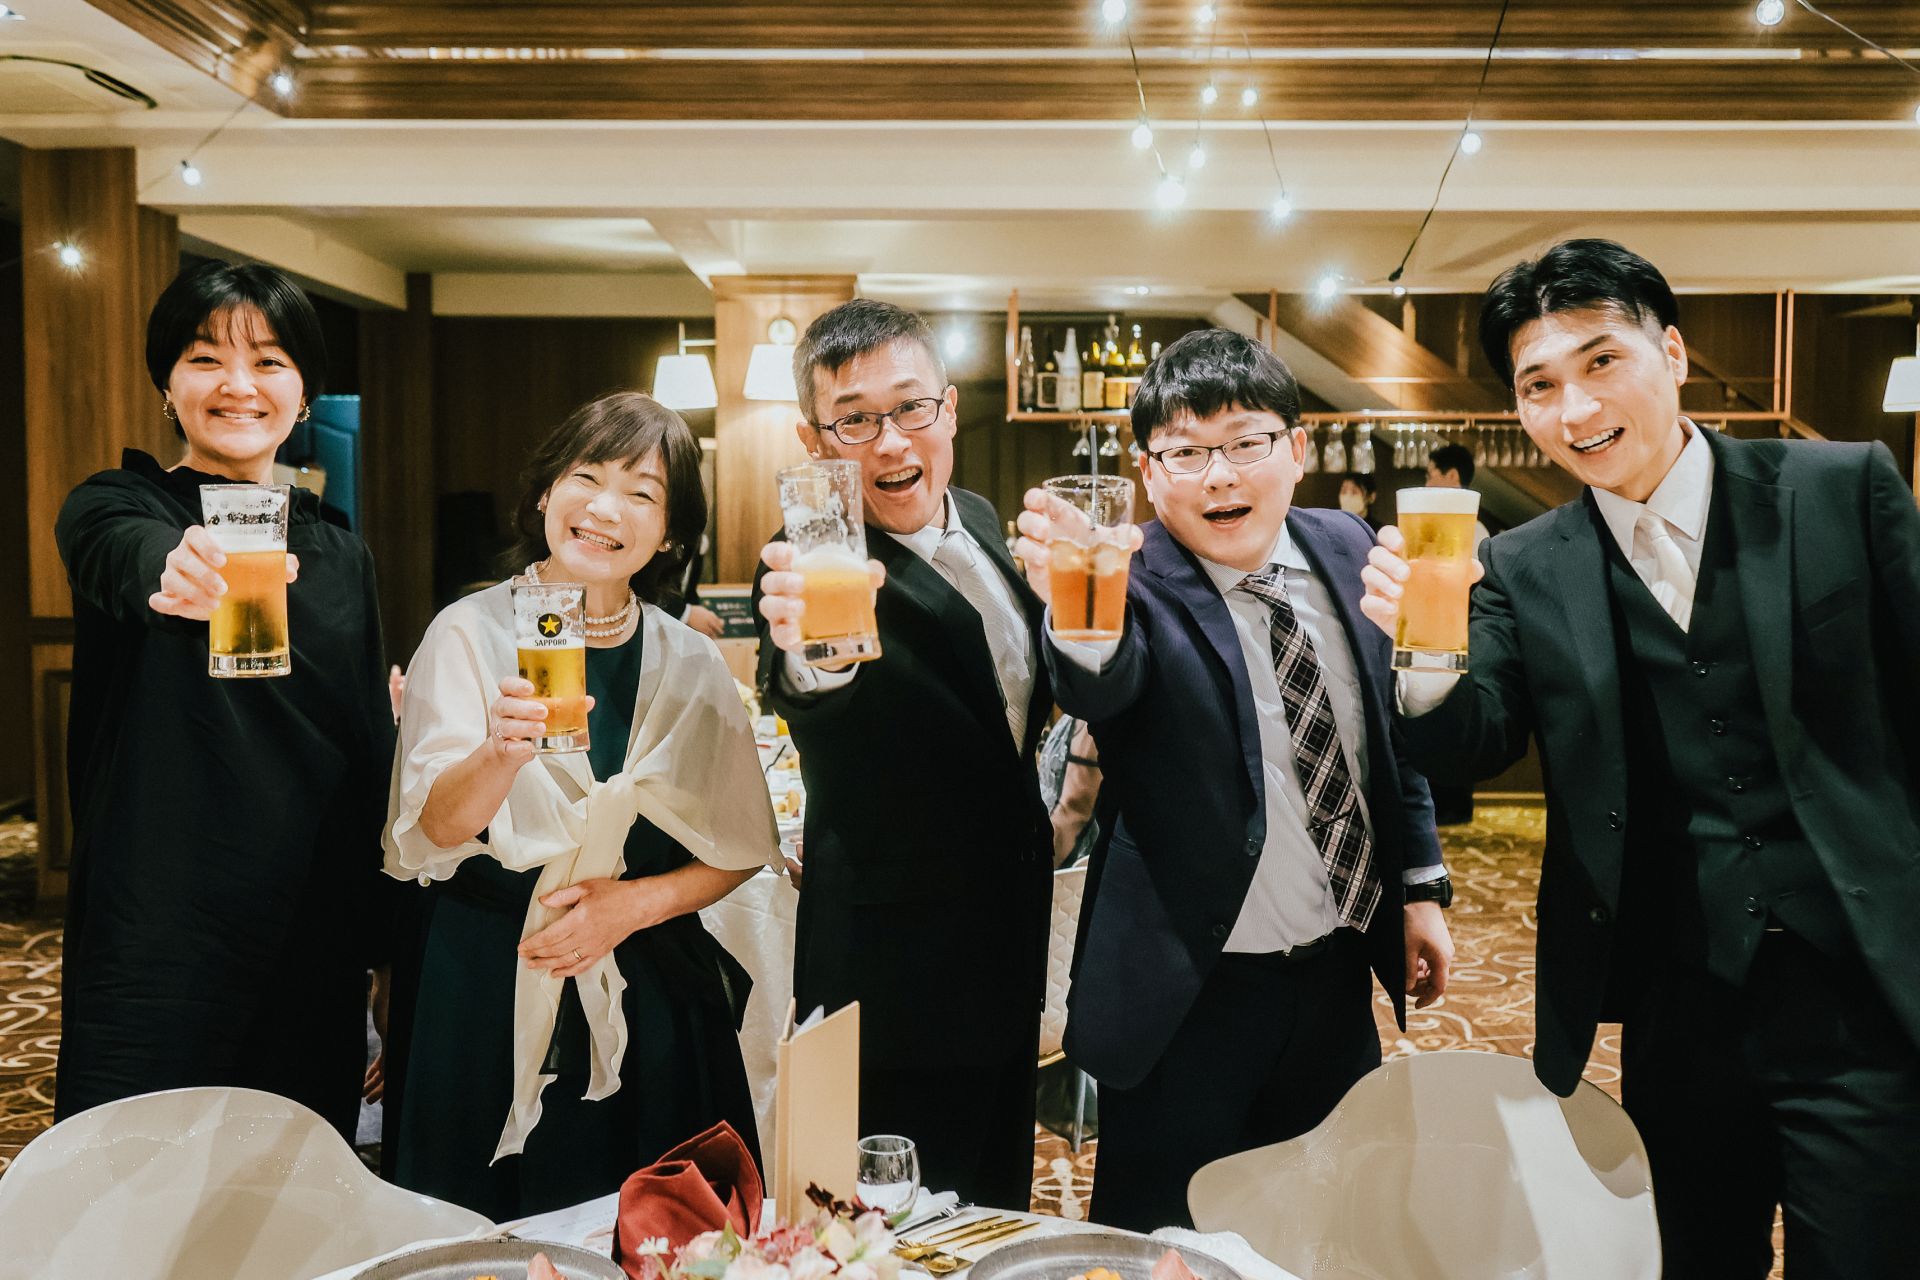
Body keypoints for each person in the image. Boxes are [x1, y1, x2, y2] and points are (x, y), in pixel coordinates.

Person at [1361, 238, 1920, 1278]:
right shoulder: (1522, 565)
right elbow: (1473, 739)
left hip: (1860, 988)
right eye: (1539, 384)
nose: (1575, 408)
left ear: (1671, 352)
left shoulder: (1840, 487)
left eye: (1602, 361)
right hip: (1676, 1001)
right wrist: (1424, 649)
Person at [1018, 329, 1454, 1231]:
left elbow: (1389, 738)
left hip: (1334, 981)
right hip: (1187, 998)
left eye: (1246, 442)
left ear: (1297, 450)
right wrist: (1079, 613)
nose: (1219, 477)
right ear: (1149, 475)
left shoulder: (1348, 547)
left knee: (1327, 1233)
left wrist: (1419, 888)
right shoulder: (1129, 579)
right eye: (1185, 453)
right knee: (1165, 1245)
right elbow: (1102, 680)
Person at [385, 392, 778, 1219]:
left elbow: (744, 845)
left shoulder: (690, 662)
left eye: (641, 493)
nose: (605, 508)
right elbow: (432, 831)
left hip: (647, 985)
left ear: (669, 534)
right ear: (544, 494)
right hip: (489, 977)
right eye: (587, 477)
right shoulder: (465, 633)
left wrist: (631, 906)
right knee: (484, 1231)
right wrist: (498, 754)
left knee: (655, 1232)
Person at [53, 260, 392, 1139]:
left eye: (269, 361)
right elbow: (120, 552)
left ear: (304, 393)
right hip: (157, 930)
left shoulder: (340, 553)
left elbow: (368, 760)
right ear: (167, 385)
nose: (239, 385)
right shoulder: (119, 506)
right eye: (206, 359)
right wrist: (173, 568)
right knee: (131, 1176)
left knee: (294, 1183)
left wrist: (391, 954)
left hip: (309, 934)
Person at [752, 299, 1053, 1208]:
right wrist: (810, 658)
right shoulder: (812, 565)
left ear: (949, 409)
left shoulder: (984, 522)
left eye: (911, 407)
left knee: (995, 1210)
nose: (890, 442)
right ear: (815, 440)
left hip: (1007, 948)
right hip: (891, 976)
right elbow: (811, 686)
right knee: (886, 1229)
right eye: (855, 420)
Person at [1424, 443, 1491, 549]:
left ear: (1452, 475)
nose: (1426, 485)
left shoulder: (1475, 532)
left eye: (1429, 477)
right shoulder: (1479, 530)